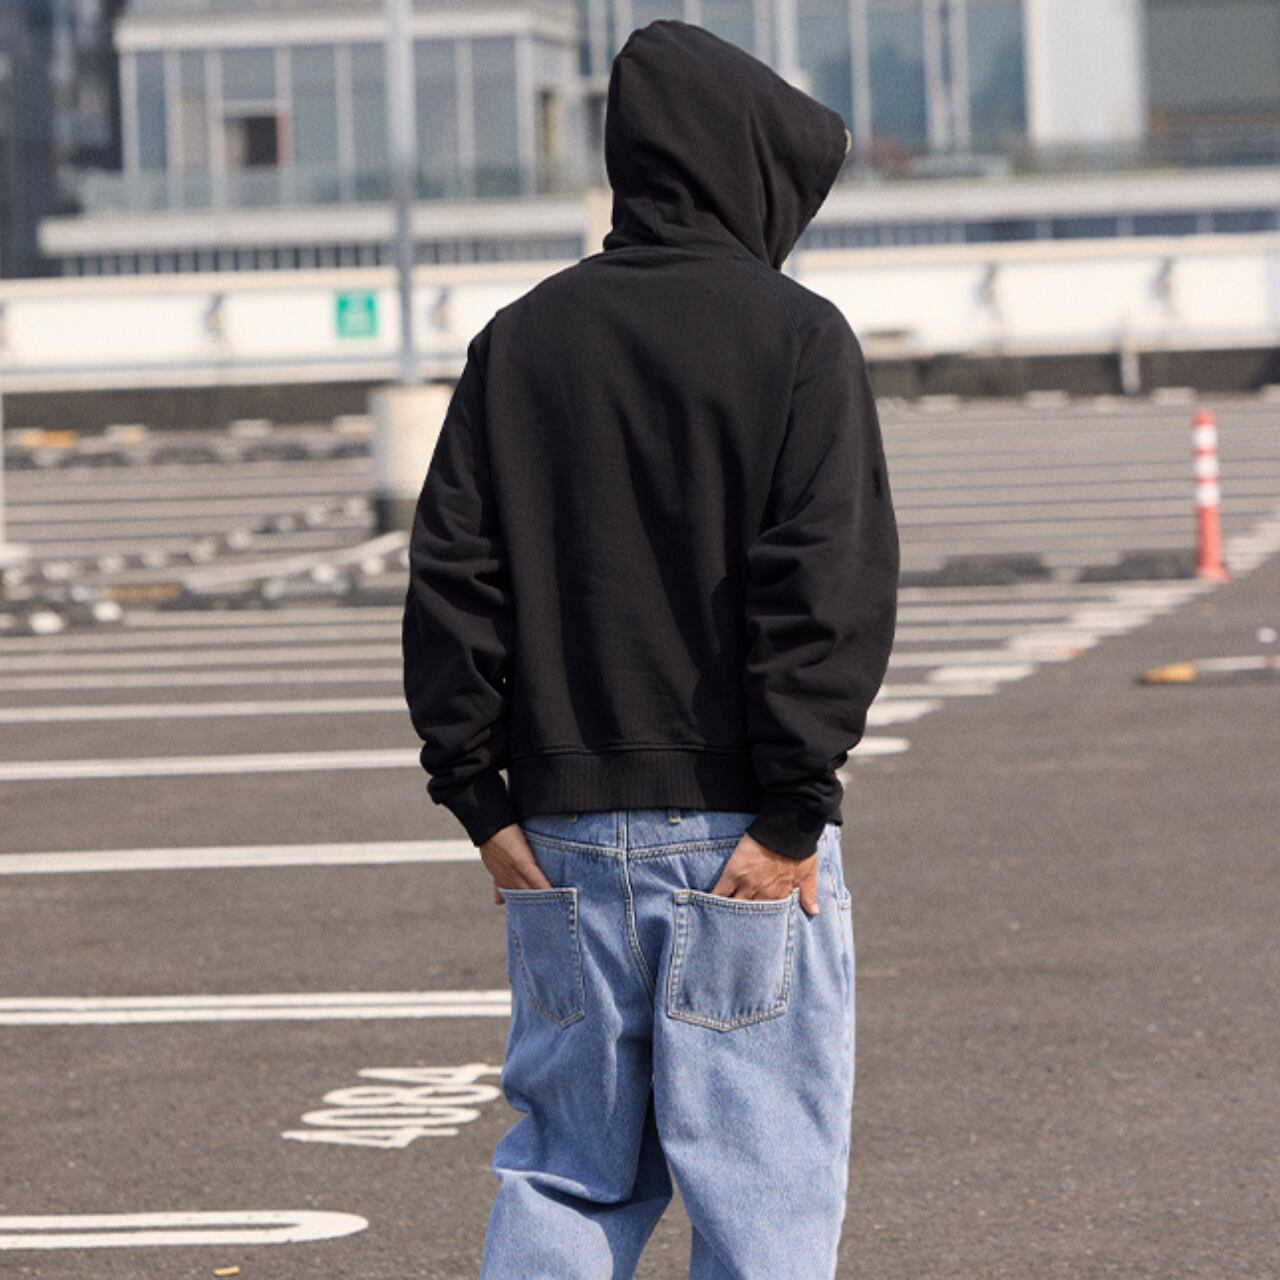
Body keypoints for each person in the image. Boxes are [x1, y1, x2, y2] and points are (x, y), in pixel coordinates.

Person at [401, 17, 899, 1280]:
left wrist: (475, 795)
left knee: (567, 1169)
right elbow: (824, 589)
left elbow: (453, 577)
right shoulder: (796, 337)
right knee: (762, 1188)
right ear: (747, 164)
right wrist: (794, 809)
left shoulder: (520, 338)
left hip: (558, 834)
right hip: (739, 832)